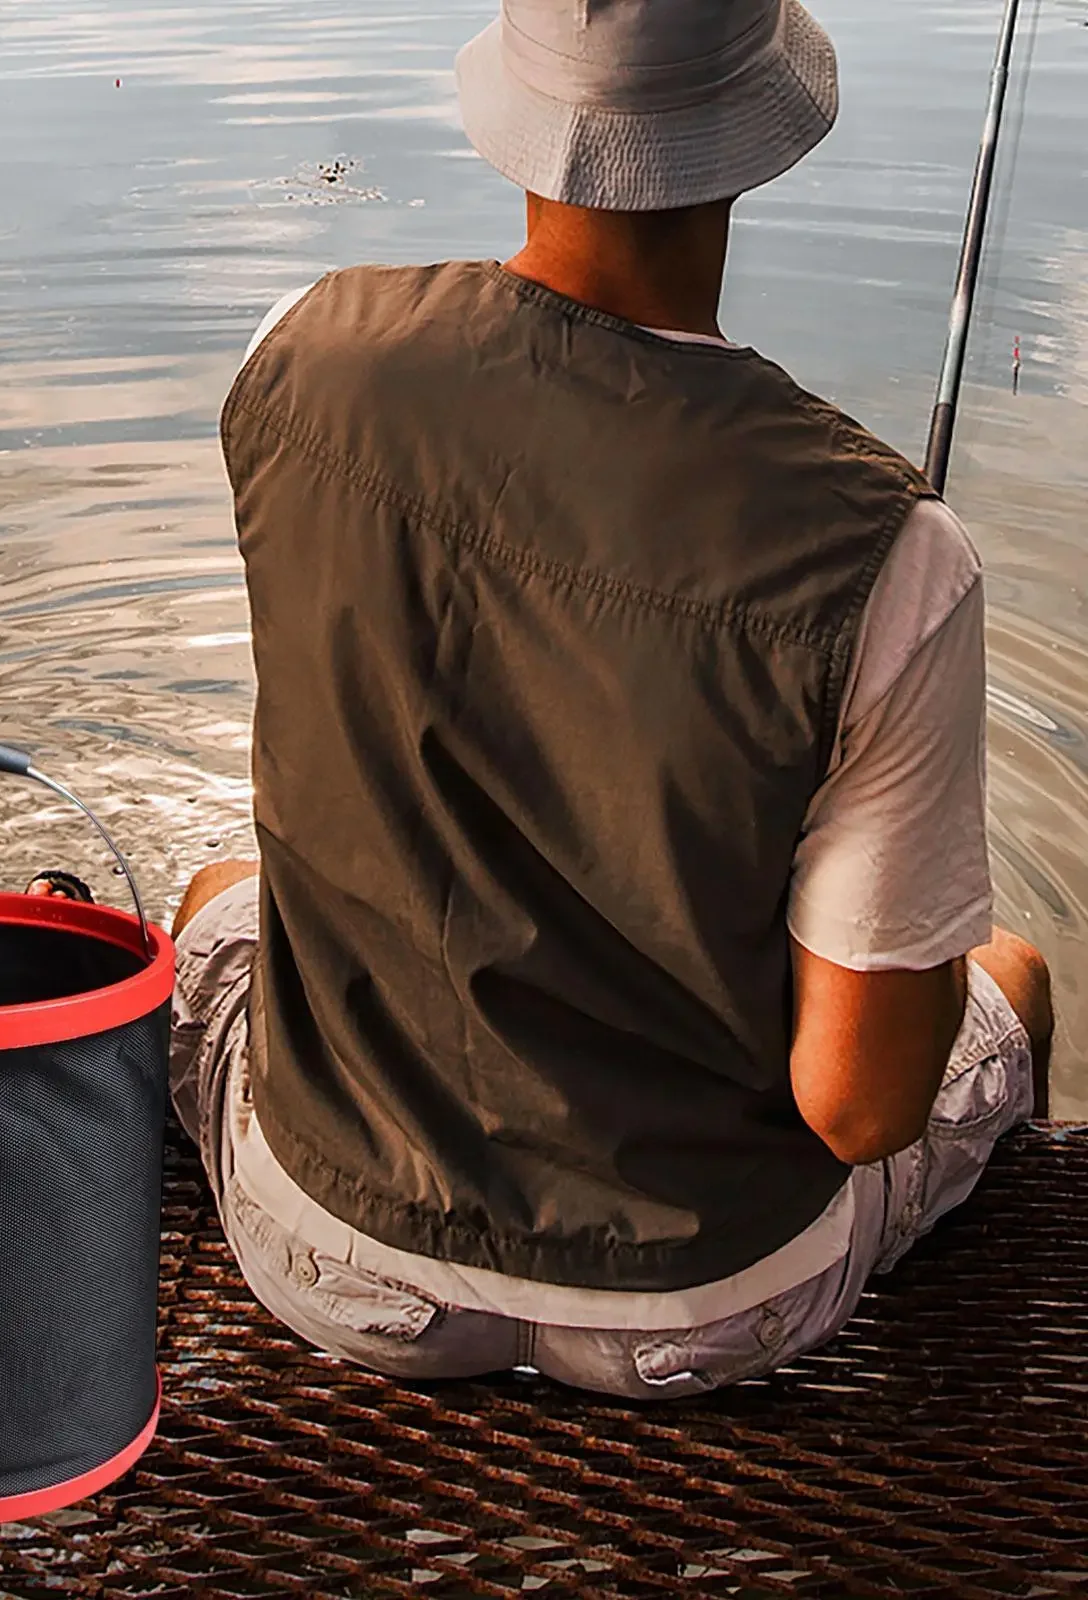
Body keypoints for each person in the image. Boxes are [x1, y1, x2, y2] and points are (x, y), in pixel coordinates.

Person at [168, 0, 1055, 1397]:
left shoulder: (294, 352)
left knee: (219, 887)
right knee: (1014, 977)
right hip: (701, 1313)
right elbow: (864, 1102)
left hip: (332, 1254)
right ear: (754, 134)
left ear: (517, 107)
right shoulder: (893, 554)